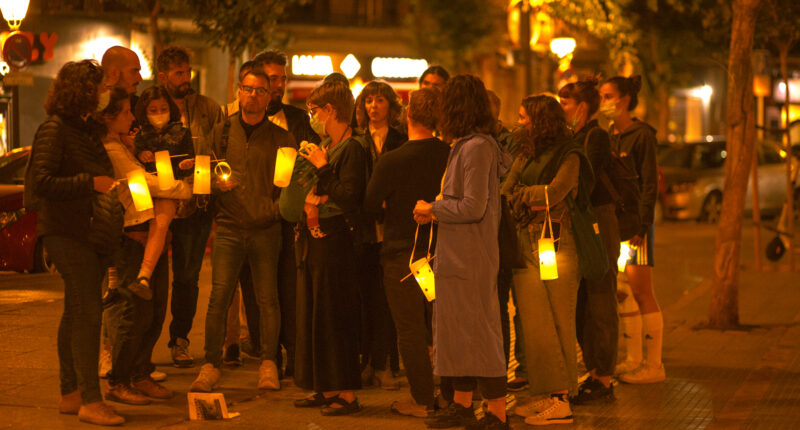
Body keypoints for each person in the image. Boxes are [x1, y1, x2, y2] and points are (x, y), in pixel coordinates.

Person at [26, 59, 125, 426]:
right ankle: (90, 400)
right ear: (82, 91)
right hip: (67, 233)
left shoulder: (84, 129)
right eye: (99, 88)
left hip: (89, 231)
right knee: (87, 313)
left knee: (75, 313)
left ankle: (71, 394)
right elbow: (42, 183)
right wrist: (90, 183)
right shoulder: (55, 129)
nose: (104, 95)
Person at [190, 68, 295, 392]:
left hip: (266, 230)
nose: (254, 95)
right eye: (249, 89)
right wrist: (216, 189)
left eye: (261, 90)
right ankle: (210, 363)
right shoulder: (220, 133)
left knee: (268, 299)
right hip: (230, 228)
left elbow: (289, 188)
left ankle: (268, 362)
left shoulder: (281, 138)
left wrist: (271, 211)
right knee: (219, 297)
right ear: (239, 90)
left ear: (269, 96)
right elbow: (202, 180)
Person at [413, 75, 509, 430]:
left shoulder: (477, 148)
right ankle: (462, 405)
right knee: (458, 332)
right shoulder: (464, 145)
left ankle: (497, 413)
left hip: (472, 257)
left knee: (480, 332)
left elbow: (473, 206)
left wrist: (433, 209)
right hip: (456, 255)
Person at [228, 50, 323, 371]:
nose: (278, 85)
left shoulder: (296, 120)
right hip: (250, 216)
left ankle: (292, 355)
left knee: (287, 289)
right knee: (253, 288)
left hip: (287, 218)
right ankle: (262, 350)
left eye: (282, 79)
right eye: (272, 79)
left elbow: (310, 160)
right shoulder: (233, 122)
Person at [502, 95, 594, 426]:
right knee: (534, 323)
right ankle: (545, 393)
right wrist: (529, 196)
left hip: (557, 243)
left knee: (558, 320)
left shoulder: (570, 153)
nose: (520, 123)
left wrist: (525, 196)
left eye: (525, 117)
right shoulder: (527, 153)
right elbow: (506, 191)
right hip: (526, 242)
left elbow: (555, 192)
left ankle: (561, 398)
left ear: (541, 121)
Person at [99, 88, 191, 406]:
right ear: (110, 117)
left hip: (150, 231)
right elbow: (141, 181)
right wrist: (183, 188)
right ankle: (120, 380)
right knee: (132, 314)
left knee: (153, 312)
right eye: (126, 112)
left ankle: (140, 373)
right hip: (131, 237)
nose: (132, 117)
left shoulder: (125, 145)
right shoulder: (109, 147)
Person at [363, 87, 450, 418]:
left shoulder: (392, 160)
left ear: (408, 115)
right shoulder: (450, 154)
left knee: (410, 329)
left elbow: (370, 203)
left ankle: (422, 398)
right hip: (443, 250)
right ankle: (454, 394)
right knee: (443, 326)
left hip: (402, 253)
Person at [280, 81, 365, 416]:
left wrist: (322, 168)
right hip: (314, 238)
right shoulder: (327, 144)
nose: (312, 117)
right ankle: (324, 385)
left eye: (315, 111)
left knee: (335, 314)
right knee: (315, 313)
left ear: (331, 110)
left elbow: (348, 195)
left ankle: (345, 392)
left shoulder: (353, 148)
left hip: (337, 241)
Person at [152, 46, 222, 368]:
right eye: (179, 72)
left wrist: (209, 171)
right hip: (157, 203)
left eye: (188, 71)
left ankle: (180, 339)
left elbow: (222, 151)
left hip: (198, 203)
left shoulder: (207, 108)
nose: (186, 78)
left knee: (187, 277)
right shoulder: (149, 107)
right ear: (163, 75)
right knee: (151, 277)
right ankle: (141, 345)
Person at [599, 75, 664, 384]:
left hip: (637, 227)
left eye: (608, 96)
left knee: (641, 291)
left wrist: (643, 223)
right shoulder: (610, 135)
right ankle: (634, 358)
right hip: (619, 223)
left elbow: (650, 183)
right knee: (623, 293)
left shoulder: (642, 136)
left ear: (624, 99)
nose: (603, 102)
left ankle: (654, 365)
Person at [559, 78, 619, 404]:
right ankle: (594, 370)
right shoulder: (575, 136)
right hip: (582, 222)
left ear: (581, 106)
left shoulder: (595, 136)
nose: (561, 109)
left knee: (600, 298)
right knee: (583, 301)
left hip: (599, 221)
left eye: (565, 103)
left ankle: (604, 376)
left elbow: (586, 178)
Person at [353, 80, 407, 389]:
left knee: (388, 301)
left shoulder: (400, 139)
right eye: (369, 101)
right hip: (364, 228)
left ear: (391, 106)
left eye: (380, 101)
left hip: (393, 227)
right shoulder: (357, 139)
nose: (374, 106)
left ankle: (387, 364)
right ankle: (367, 362)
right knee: (365, 297)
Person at [121, 86, 195, 300]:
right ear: (145, 111)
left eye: (163, 108)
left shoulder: (182, 133)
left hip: (171, 190)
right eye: (153, 110)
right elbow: (133, 164)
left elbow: (190, 163)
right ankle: (126, 278)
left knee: (161, 223)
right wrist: (139, 152)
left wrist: (186, 165)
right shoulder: (140, 135)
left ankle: (144, 275)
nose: (159, 114)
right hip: (145, 189)